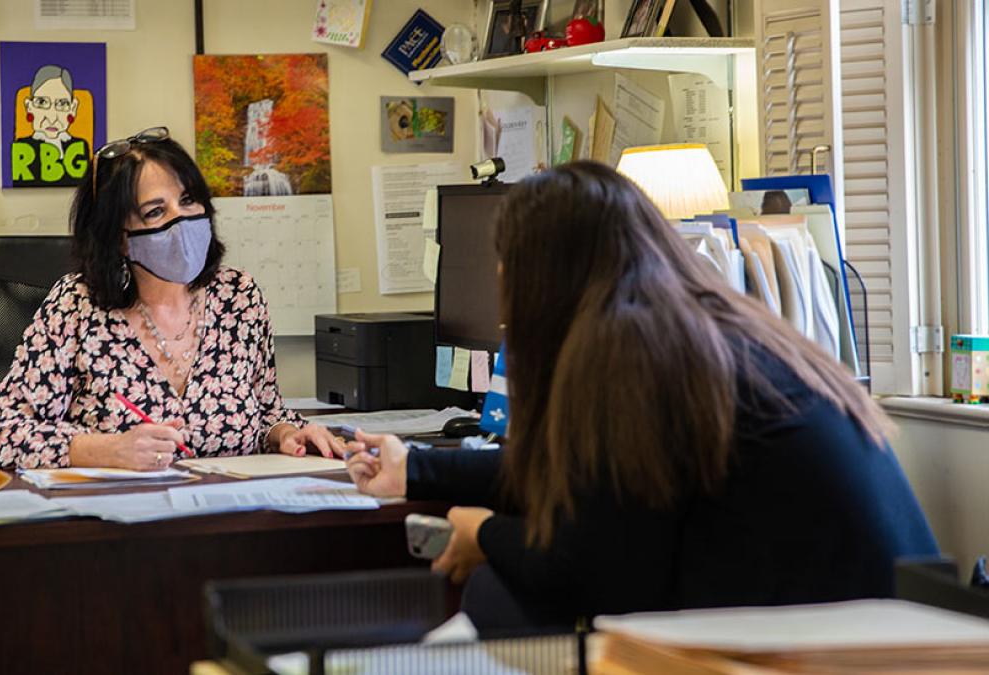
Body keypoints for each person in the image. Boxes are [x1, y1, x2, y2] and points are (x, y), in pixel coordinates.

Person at [345, 161, 938, 634]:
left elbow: (599, 576)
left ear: (543, 273)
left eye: (507, 264)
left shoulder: (631, 349)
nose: (501, 281)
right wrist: (416, 468)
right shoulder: (701, 326)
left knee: (498, 594)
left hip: (828, 641)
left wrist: (484, 536)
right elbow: (588, 484)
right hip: (893, 623)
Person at [0, 127, 345, 470]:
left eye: (188, 200)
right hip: (120, 525)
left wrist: (285, 433)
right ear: (119, 237)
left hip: (229, 520)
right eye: (156, 212)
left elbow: (265, 411)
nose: (181, 220)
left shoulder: (239, 298)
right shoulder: (76, 306)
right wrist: (107, 450)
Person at [10, 65, 93, 187]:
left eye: (62, 103)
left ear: (73, 108)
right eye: (42, 102)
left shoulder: (80, 147)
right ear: (29, 106)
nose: (52, 118)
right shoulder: (22, 148)